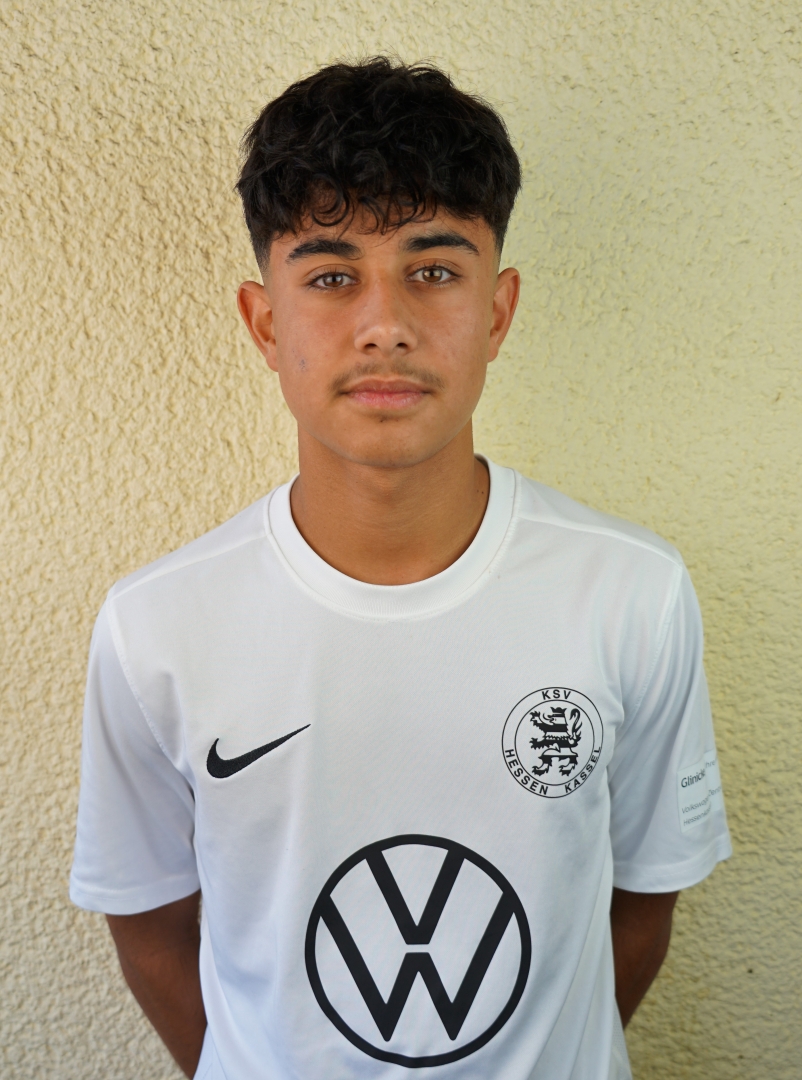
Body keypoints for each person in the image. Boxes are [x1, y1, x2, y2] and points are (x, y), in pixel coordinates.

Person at [70, 57, 731, 1080]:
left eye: (433, 271)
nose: (385, 324)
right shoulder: (156, 625)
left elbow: (641, 904)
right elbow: (151, 928)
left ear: (498, 312)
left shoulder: (630, 592)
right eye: (332, 277)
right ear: (264, 322)